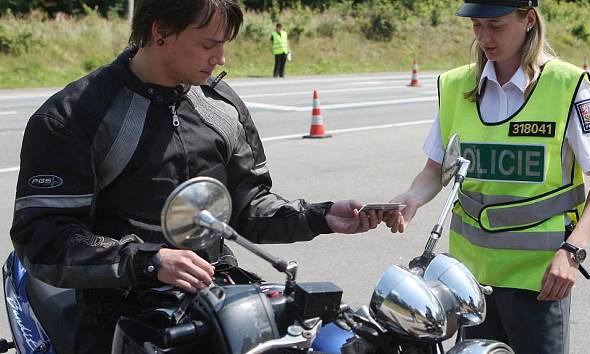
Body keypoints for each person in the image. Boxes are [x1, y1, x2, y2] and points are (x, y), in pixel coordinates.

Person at [10, 1, 383, 353]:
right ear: (160, 32)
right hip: (119, 314)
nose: (220, 58)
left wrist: (319, 215)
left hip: (219, 298)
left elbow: (247, 205)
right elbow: (42, 237)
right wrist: (147, 261)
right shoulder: (73, 117)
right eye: (208, 44)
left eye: (223, 45)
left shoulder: (220, 105)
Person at [385, 1, 590, 353]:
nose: (484, 37)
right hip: (468, 281)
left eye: (496, 25)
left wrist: (573, 252)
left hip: (539, 280)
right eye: (477, 26)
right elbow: (435, 170)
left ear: (528, 20)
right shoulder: (455, 86)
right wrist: (411, 198)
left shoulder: (566, 85)